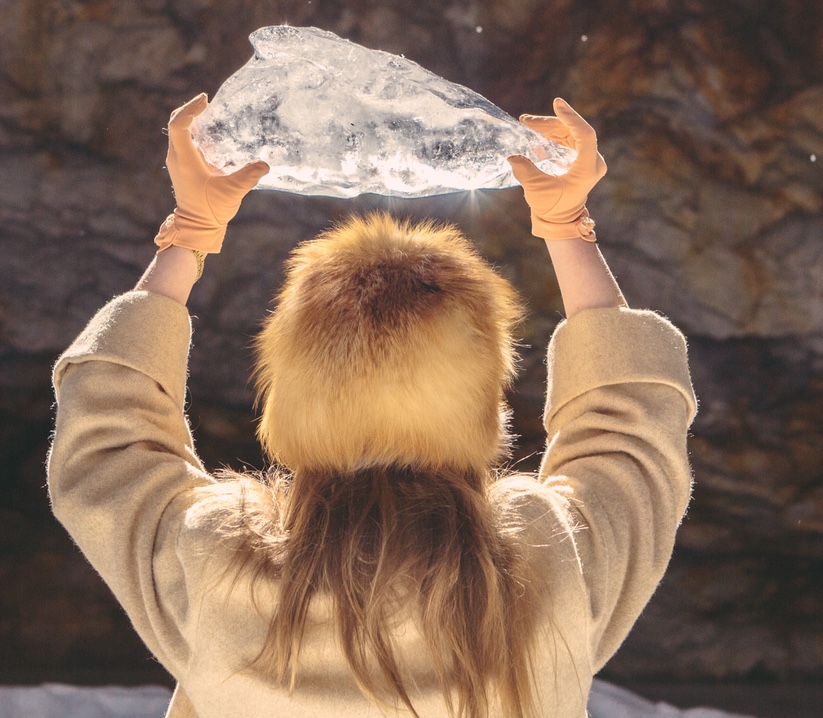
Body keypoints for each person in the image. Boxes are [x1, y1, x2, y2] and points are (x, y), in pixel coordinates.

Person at [47, 93, 696, 718]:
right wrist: (568, 226)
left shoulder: (217, 564)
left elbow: (107, 434)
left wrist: (186, 235)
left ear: (288, 400)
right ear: (484, 406)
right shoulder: (552, 562)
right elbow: (628, 420)